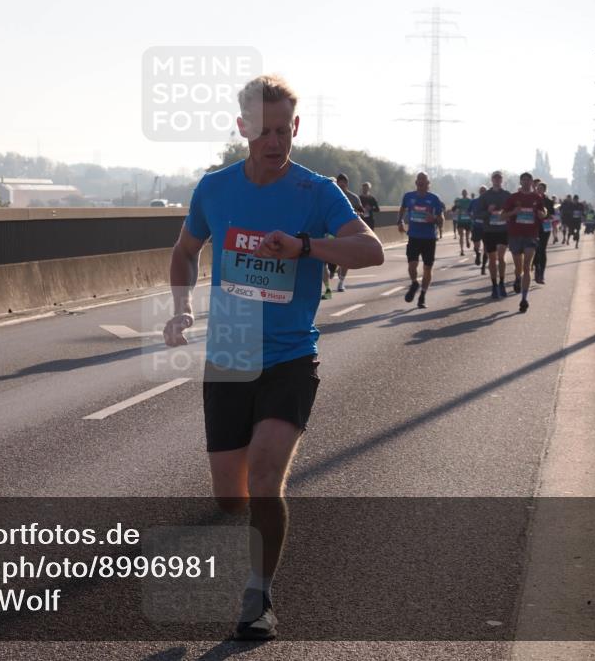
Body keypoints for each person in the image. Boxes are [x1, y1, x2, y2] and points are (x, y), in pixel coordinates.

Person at [163, 74, 384, 641]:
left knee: (266, 477)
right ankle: (252, 549)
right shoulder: (214, 189)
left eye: (284, 130)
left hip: (290, 355)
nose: (274, 141)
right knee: (229, 498)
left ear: (296, 127)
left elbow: (372, 250)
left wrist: (306, 246)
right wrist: (182, 308)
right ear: (243, 128)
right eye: (263, 130)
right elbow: (185, 251)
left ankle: (258, 597)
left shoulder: (316, 192)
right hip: (230, 350)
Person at [499, 172, 547, 312]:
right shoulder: (513, 198)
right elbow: (502, 216)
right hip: (515, 235)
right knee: (518, 267)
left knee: (527, 266)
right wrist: (514, 212)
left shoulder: (537, 198)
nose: (526, 182)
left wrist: (542, 214)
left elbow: (543, 213)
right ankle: (517, 279)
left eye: (528, 180)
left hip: (531, 236)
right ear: (520, 182)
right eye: (523, 180)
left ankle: (524, 299)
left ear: (532, 182)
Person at [397, 172, 445, 309]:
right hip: (414, 236)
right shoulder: (408, 196)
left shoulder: (434, 198)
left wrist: (434, 219)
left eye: (423, 180)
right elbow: (402, 209)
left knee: (427, 268)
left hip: (429, 238)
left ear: (428, 183)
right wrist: (400, 221)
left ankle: (422, 296)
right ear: (416, 182)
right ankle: (414, 283)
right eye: (419, 180)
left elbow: (441, 219)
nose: (421, 182)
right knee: (412, 265)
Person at [480, 172, 512, 299]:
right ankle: (494, 285)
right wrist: (488, 211)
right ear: (491, 180)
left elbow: (513, 212)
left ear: (502, 180)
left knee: (501, 257)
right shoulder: (485, 196)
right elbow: (478, 214)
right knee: (492, 259)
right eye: (495, 178)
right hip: (489, 231)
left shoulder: (507, 195)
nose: (497, 180)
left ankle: (502, 283)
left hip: (503, 230)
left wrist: (507, 215)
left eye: (499, 178)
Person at [333, 174, 364, 292]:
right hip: (333, 229)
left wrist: (356, 214)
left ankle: (341, 282)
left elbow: (361, 212)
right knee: (334, 256)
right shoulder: (331, 195)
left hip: (348, 230)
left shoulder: (354, 198)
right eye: (339, 183)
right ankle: (335, 267)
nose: (341, 185)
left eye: (343, 183)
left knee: (345, 257)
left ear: (347, 184)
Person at [534, 181, 554, 284]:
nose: (539, 190)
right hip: (534, 227)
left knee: (542, 249)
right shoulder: (532, 199)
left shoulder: (549, 201)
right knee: (535, 250)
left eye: (541, 188)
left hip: (545, 228)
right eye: (538, 188)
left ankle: (541, 274)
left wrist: (545, 215)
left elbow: (552, 215)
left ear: (545, 190)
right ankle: (536, 269)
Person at [470, 185, 487, 271]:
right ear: (479, 192)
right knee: (476, 246)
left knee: (487, 248)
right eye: (481, 191)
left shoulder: (489, 201)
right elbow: (468, 211)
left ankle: (483, 266)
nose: (483, 192)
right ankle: (478, 254)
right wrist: (471, 217)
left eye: (484, 191)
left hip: (487, 227)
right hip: (476, 226)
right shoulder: (474, 201)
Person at [452, 189, 473, 256]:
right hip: (460, 220)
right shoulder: (459, 201)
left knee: (467, 235)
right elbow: (453, 209)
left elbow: (473, 209)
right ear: (462, 193)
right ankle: (462, 250)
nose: (464, 193)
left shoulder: (470, 201)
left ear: (467, 193)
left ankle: (467, 240)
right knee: (461, 235)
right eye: (463, 192)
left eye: (465, 192)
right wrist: (456, 206)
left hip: (468, 220)